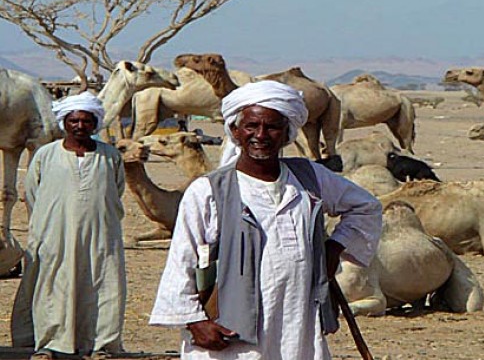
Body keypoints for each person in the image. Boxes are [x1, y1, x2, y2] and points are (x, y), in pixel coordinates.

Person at [149, 80, 383, 359]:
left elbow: (366, 207)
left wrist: (333, 249)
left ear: (287, 134)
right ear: (235, 132)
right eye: (251, 126)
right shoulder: (209, 190)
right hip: (231, 329)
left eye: (272, 127)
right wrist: (195, 321)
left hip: (298, 321)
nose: (261, 135)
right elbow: (182, 258)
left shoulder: (309, 178)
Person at [11, 92, 127, 360]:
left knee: (103, 286)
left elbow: (115, 191)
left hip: (100, 237)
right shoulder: (45, 155)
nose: (79, 126)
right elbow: (33, 192)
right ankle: (50, 344)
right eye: (74, 121)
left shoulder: (109, 156)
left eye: (86, 121)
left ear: (94, 123)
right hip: (54, 237)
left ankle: (102, 345)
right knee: (51, 286)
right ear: (65, 122)